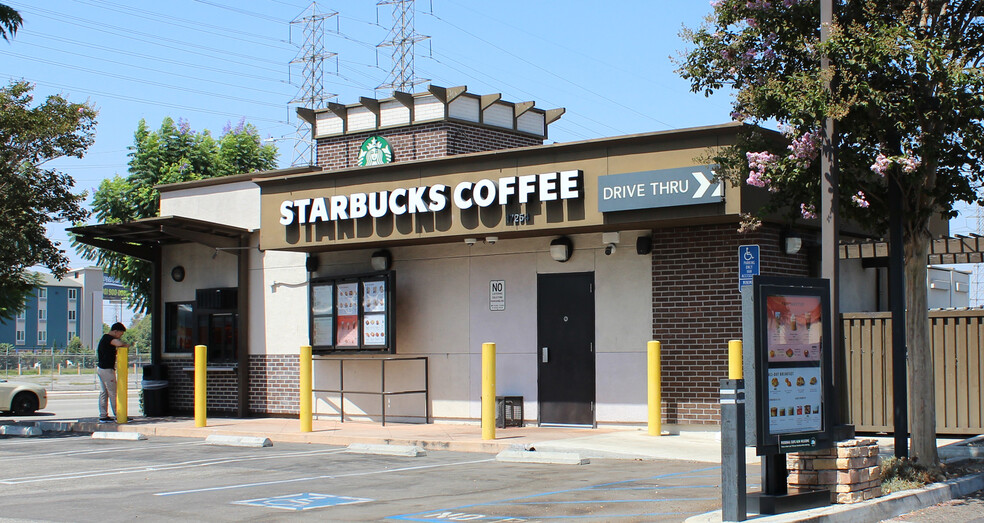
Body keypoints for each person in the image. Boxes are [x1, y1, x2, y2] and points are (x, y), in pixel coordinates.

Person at [96, 322, 129, 423]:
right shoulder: (108, 338)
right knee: (113, 392)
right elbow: (119, 344)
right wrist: (125, 345)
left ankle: (103, 415)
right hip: (107, 369)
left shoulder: (104, 339)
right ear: (115, 331)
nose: (120, 336)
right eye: (120, 334)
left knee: (103, 393)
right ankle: (119, 414)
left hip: (101, 368)